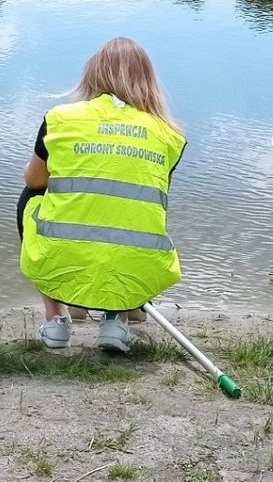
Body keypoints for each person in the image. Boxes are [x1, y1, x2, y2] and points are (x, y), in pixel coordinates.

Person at [17, 37, 186, 353]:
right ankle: (115, 320)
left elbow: (34, 179)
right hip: (140, 259)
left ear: (92, 75)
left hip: (62, 254)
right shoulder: (168, 135)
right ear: (147, 80)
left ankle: (57, 320)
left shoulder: (60, 118)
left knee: (31, 197)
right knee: (134, 212)